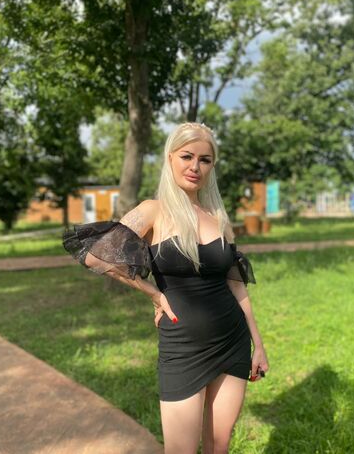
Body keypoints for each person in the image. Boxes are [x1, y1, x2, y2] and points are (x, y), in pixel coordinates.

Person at [63, 121, 269, 454]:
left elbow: (236, 285)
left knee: (219, 445)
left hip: (232, 341)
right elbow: (95, 255)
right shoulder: (153, 210)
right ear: (170, 157)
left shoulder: (217, 216)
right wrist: (154, 294)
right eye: (187, 156)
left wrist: (257, 344)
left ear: (211, 166)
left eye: (205, 160)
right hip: (182, 347)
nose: (195, 166)